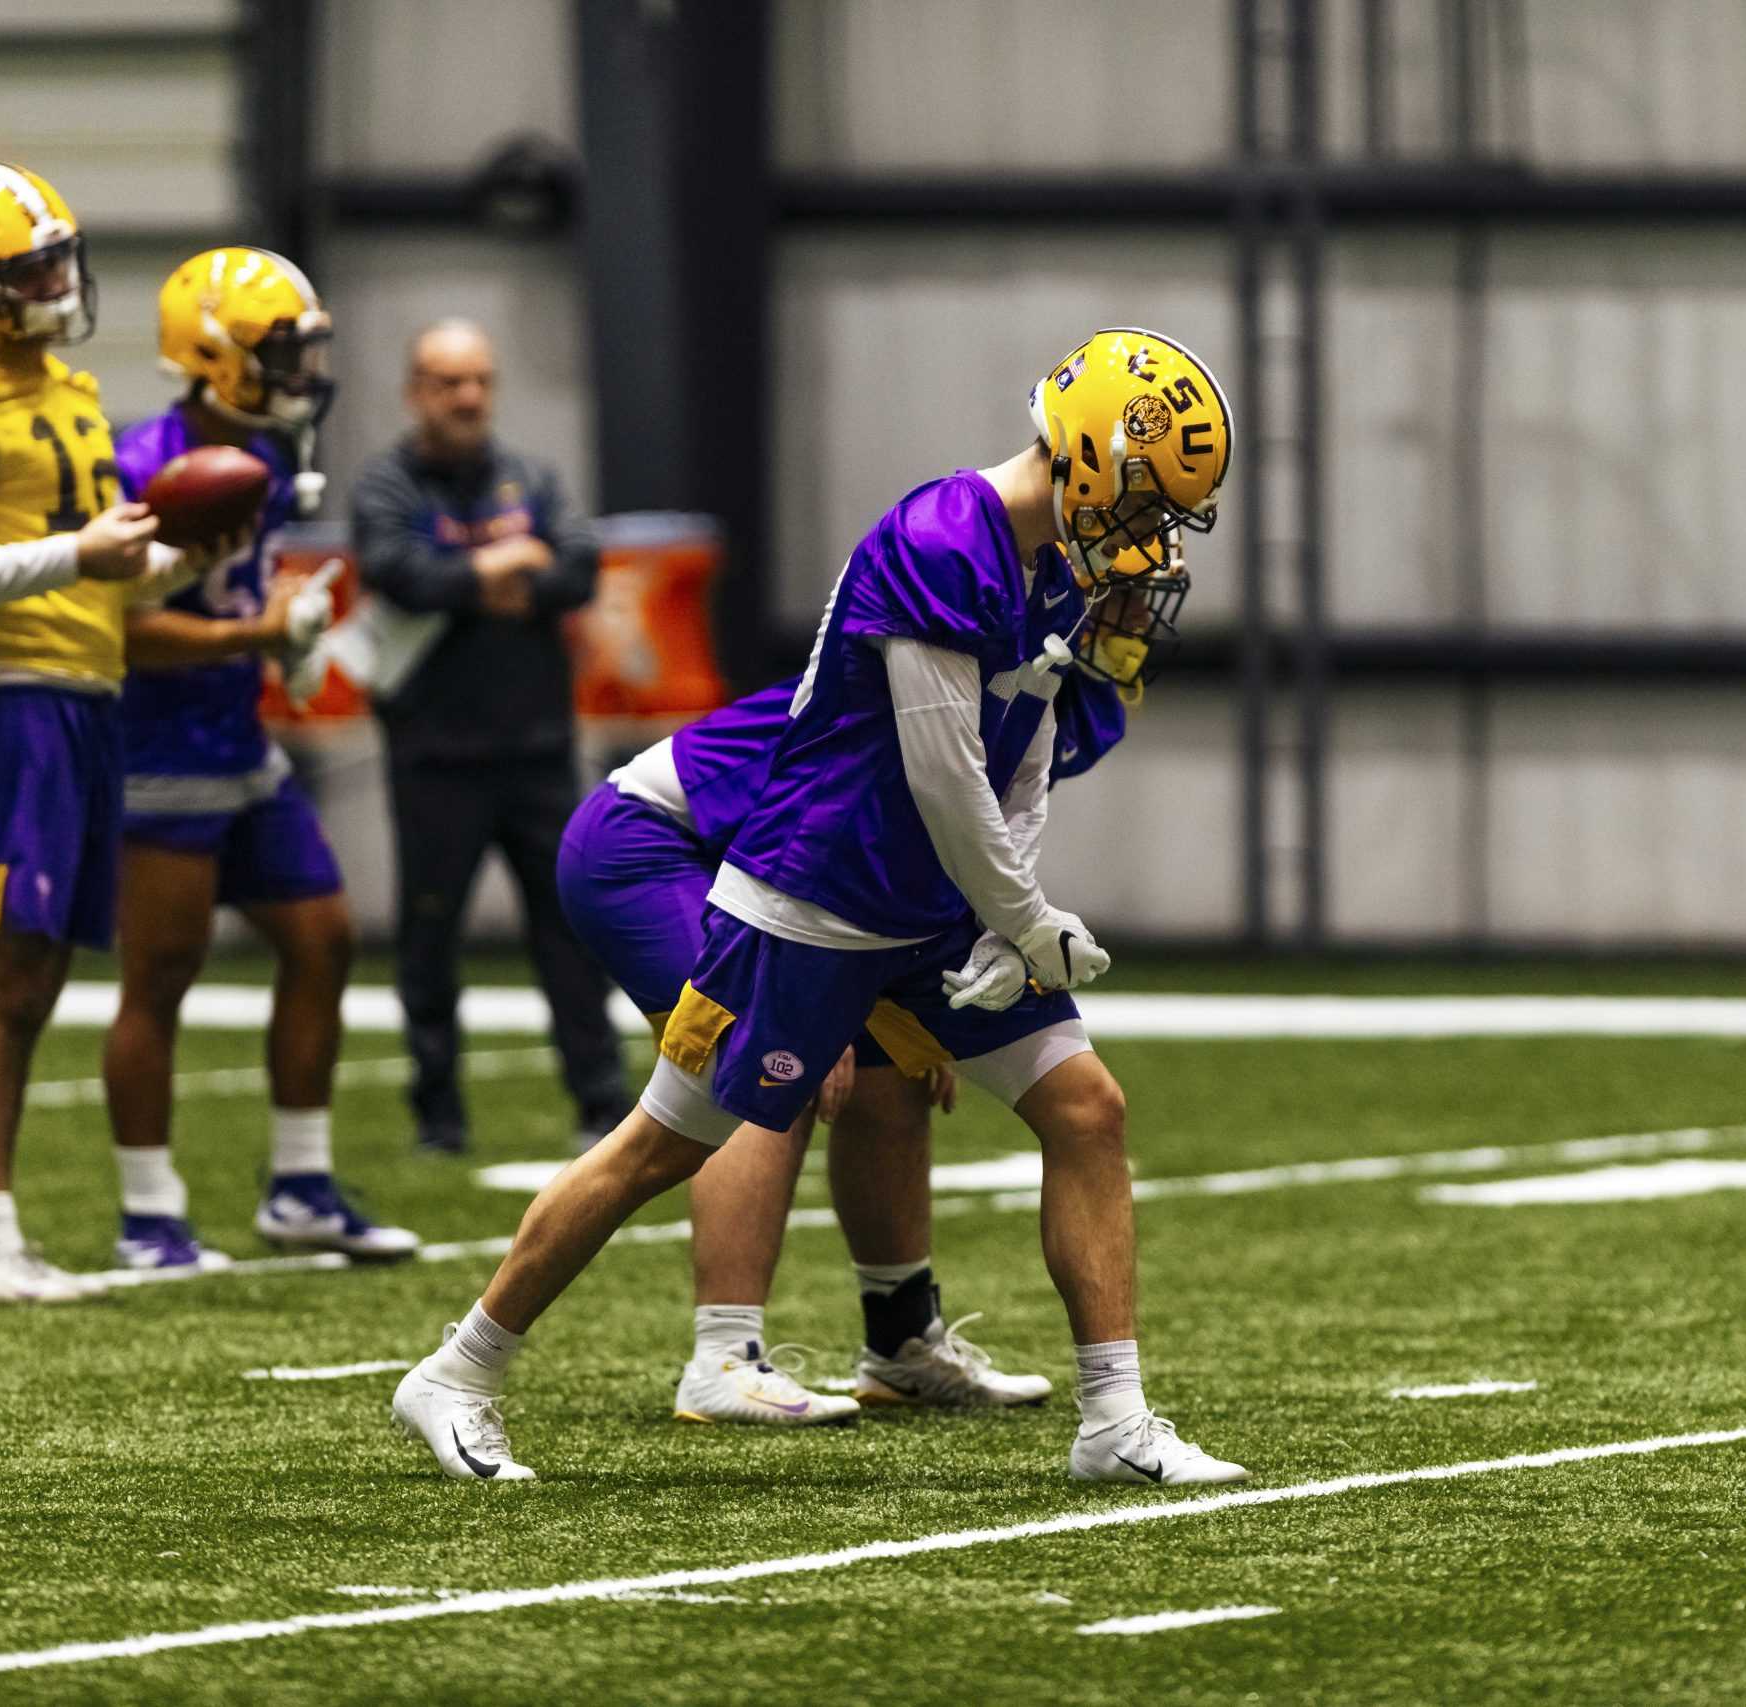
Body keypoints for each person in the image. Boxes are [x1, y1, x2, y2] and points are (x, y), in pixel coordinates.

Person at [389, 327, 1245, 1488]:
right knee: (662, 1143)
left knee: (1086, 1109)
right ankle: (459, 1371)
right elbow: (943, 773)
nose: (1149, 538)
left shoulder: (1057, 565)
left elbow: (1020, 762)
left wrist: (1012, 918)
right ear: (1090, 453)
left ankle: (1114, 1420)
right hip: (811, 894)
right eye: (1147, 500)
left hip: (922, 898)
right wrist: (1024, 916)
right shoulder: (946, 539)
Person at [559, 561, 1164, 1427]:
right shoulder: (962, 648)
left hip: (816, 874)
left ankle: (900, 1339)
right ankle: (721, 1353)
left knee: (902, 1068)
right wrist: (808, 990)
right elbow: (819, 812)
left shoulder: (1047, 681)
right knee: (773, 1065)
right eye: (1130, 594)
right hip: (664, 844)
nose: (1142, 617)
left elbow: (949, 836)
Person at [0, 164, 236, 1303]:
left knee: (34, 973)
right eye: (27, 269)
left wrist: (186, 557)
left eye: (57, 259)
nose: (55, 282)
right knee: (5, 967)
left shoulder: (71, 396)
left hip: (79, 693)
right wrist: (81, 556)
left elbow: (96, 582)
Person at [101, 247, 417, 1271]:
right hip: (158, 746)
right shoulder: (143, 461)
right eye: (279, 349)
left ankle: (300, 1186)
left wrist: (283, 633)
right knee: (161, 974)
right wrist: (264, 637)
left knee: (322, 938)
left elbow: (237, 601)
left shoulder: (265, 463)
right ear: (215, 354)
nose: (297, 369)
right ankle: (149, 1211)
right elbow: (119, 632)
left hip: (237, 738)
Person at [348, 320, 629, 1156]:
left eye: (479, 380)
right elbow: (398, 575)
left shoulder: (529, 477)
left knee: (572, 935)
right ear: (415, 393)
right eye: (447, 381)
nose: (467, 397)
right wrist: (500, 569)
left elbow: (577, 568)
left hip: (537, 751)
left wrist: (470, 582)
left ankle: (600, 1101)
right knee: (430, 942)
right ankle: (439, 1116)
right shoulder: (386, 485)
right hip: (435, 759)